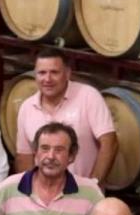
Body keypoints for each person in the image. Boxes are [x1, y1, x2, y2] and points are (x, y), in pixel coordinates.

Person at [14, 49, 117, 185]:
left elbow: (110, 143)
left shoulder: (88, 96)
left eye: (54, 72)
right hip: (43, 198)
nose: (47, 79)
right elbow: (24, 156)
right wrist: (29, 192)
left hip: (83, 197)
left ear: (68, 73)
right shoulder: (27, 107)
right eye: (42, 73)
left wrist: (92, 186)